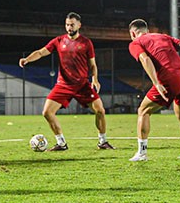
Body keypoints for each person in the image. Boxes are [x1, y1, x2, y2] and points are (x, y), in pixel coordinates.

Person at [18, 12, 114, 151]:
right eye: (67, 25)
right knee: (47, 112)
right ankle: (61, 143)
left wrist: (95, 79)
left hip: (82, 85)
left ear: (79, 25)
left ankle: (103, 142)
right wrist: (27, 59)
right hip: (63, 85)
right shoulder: (58, 41)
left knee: (100, 110)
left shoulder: (86, 43)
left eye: (72, 24)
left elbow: (92, 64)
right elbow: (41, 52)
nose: (69, 27)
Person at [127, 19, 180, 161]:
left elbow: (145, 59)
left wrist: (156, 83)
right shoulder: (162, 36)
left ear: (133, 33)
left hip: (169, 78)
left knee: (143, 111)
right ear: (147, 31)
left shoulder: (135, 43)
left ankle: (141, 153)